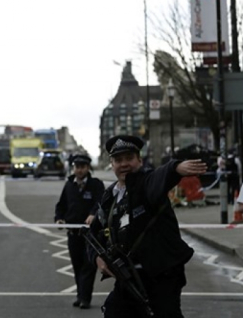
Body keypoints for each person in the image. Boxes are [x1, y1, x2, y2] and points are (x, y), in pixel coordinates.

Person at [87, 135, 207, 317]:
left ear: (140, 160)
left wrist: (175, 168)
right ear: (111, 164)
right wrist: (97, 258)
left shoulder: (146, 183)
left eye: (129, 158)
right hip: (128, 277)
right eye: (118, 160)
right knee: (113, 311)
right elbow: (93, 234)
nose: (124, 164)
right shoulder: (109, 196)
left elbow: (159, 177)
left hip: (161, 276)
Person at [54, 153, 104, 309]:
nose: (79, 170)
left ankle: (85, 298)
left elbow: (101, 202)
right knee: (77, 266)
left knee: (89, 266)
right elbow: (61, 205)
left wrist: (93, 214)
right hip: (73, 233)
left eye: (82, 167)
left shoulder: (96, 184)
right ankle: (80, 295)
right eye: (77, 167)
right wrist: (59, 218)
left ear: (88, 168)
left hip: (90, 235)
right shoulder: (70, 184)